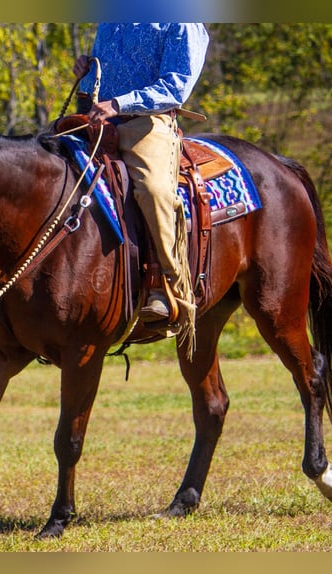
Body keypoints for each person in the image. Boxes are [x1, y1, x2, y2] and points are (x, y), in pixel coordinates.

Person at [73, 23, 208, 348]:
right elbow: (106, 72)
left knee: (151, 189)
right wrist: (86, 72)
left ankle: (167, 285)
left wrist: (119, 104)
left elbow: (175, 87)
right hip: (96, 119)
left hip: (148, 122)